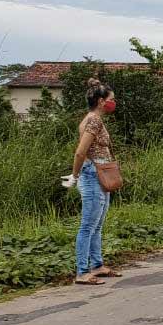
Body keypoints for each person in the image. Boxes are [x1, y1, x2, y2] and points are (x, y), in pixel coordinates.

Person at [64, 78, 120, 284]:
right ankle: (82, 271)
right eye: (111, 99)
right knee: (88, 225)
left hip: (100, 175)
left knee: (97, 224)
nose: (114, 102)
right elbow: (81, 152)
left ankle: (97, 265)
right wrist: (75, 175)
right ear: (100, 101)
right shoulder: (94, 121)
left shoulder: (91, 119)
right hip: (92, 174)